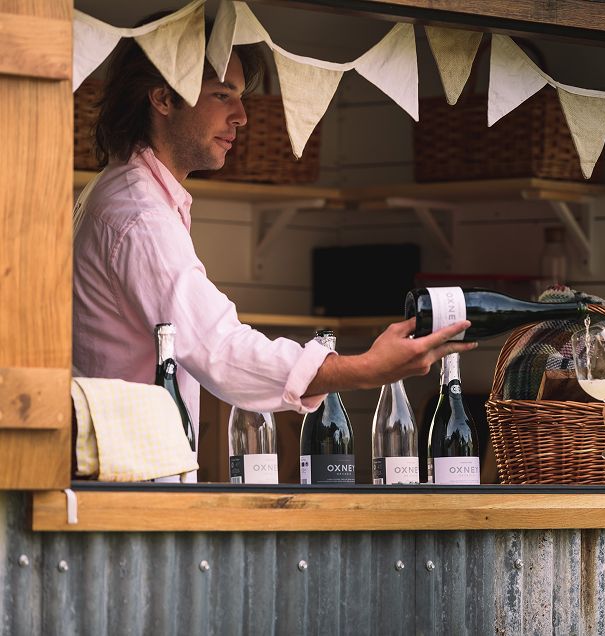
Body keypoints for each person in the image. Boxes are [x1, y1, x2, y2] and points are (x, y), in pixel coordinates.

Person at [72, 23, 475, 443]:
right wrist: (366, 369)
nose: (241, 117)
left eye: (240, 98)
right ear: (163, 97)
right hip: (126, 480)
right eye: (222, 94)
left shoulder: (126, 194)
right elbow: (220, 349)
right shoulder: (138, 213)